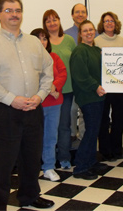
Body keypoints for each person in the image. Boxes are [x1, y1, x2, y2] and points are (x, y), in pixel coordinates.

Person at [0, 0, 55, 209]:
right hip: (1, 112)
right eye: (9, 10)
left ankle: (29, 196)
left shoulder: (34, 43)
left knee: (31, 159)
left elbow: (48, 71)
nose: (14, 14)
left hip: (32, 109)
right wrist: (11, 99)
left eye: (18, 10)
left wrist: (40, 95)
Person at [70, 20, 108, 180]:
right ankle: (81, 167)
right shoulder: (80, 51)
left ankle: (91, 161)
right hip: (88, 97)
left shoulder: (97, 50)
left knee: (94, 130)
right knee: (91, 131)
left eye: (91, 30)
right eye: (85, 31)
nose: (88, 33)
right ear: (80, 34)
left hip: (98, 96)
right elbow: (81, 76)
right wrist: (96, 87)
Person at [31, 28, 67, 182]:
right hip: (35, 105)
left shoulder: (54, 57)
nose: (42, 42)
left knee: (51, 137)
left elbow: (62, 74)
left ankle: (48, 167)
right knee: (33, 138)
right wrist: (49, 89)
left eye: (45, 38)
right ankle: (31, 169)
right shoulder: (29, 59)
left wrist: (53, 88)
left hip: (54, 104)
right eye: (38, 38)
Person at [43, 9, 76, 169]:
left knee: (64, 125)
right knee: (48, 127)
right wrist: (51, 88)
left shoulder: (69, 39)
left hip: (67, 90)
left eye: (54, 19)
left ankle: (64, 157)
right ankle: (47, 158)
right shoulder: (42, 42)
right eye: (48, 21)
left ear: (59, 21)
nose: (52, 23)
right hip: (48, 93)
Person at [95, 11, 123, 161]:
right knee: (103, 119)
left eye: (111, 21)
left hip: (119, 86)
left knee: (118, 119)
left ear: (116, 23)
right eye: (106, 21)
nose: (109, 23)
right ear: (102, 24)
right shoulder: (96, 41)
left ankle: (117, 149)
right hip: (104, 87)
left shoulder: (122, 40)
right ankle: (105, 150)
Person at [64, 3, 88, 143]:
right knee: (72, 110)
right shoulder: (66, 35)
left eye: (83, 12)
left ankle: (84, 137)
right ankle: (72, 134)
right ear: (72, 15)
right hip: (72, 80)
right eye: (77, 12)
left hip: (88, 80)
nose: (80, 14)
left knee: (85, 111)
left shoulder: (93, 33)